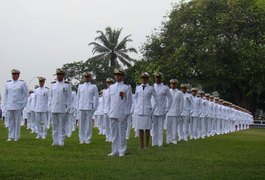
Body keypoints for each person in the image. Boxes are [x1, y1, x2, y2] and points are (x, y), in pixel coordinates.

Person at [107, 68, 132, 157]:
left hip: (122, 112)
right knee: (114, 133)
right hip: (113, 112)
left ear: (122, 76)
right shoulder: (111, 87)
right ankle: (114, 151)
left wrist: (127, 112)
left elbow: (129, 101)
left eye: (119, 75)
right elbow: (109, 100)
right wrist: (108, 110)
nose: (117, 76)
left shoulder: (126, 87)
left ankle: (122, 150)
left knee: (122, 133)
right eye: (116, 75)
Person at [133, 72, 157, 149]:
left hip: (147, 110)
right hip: (139, 110)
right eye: (142, 78)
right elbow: (135, 98)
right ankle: (141, 145)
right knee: (140, 128)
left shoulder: (151, 88)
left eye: (145, 78)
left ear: (148, 79)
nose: (144, 79)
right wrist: (136, 106)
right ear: (141, 79)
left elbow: (156, 100)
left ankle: (146, 145)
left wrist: (152, 108)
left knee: (147, 128)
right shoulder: (138, 88)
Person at [4, 69, 28, 141]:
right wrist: (5, 105)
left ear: (18, 75)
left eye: (15, 74)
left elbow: (26, 94)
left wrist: (23, 104)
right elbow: (6, 95)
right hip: (9, 105)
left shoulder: (22, 83)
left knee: (17, 122)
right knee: (10, 121)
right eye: (13, 74)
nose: (14, 76)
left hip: (18, 105)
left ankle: (16, 137)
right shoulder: (8, 83)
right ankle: (10, 136)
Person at [49, 68, 72, 146]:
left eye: (60, 74)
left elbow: (69, 97)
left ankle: (61, 141)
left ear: (63, 75)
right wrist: (50, 106)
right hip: (54, 107)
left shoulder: (67, 85)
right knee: (54, 126)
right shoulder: (53, 85)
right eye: (58, 74)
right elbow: (50, 97)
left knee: (62, 126)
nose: (59, 76)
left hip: (63, 108)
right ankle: (55, 141)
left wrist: (68, 107)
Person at [76, 72, 99, 144]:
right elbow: (78, 98)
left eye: (88, 77)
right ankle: (81, 139)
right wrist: (77, 107)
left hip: (89, 107)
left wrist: (94, 108)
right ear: (83, 78)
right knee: (81, 124)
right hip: (81, 106)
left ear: (90, 78)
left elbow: (97, 98)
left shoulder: (93, 86)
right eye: (85, 77)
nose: (87, 78)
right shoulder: (80, 86)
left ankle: (88, 139)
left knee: (89, 124)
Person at [152, 72, 172, 147]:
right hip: (153, 109)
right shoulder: (152, 87)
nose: (157, 79)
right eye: (156, 77)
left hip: (161, 109)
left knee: (160, 127)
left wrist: (168, 108)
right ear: (155, 78)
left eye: (159, 77)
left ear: (161, 78)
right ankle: (154, 143)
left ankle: (160, 143)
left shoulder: (165, 88)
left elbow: (170, 98)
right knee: (154, 127)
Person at [166, 79, 184, 144]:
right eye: (172, 84)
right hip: (168, 112)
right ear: (170, 84)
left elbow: (182, 103)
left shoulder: (179, 92)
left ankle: (174, 139)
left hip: (175, 112)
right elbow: (165, 101)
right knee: (168, 127)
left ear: (176, 85)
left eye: (174, 84)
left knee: (174, 127)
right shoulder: (168, 91)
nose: (173, 85)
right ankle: (168, 139)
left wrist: (180, 111)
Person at [102, 78, 114, 142]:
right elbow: (104, 101)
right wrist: (103, 109)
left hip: (111, 109)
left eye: (110, 83)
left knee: (111, 124)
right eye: (108, 83)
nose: (109, 84)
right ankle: (107, 136)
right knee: (106, 125)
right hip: (105, 110)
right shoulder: (104, 91)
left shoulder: (114, 91)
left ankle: (112, 137)